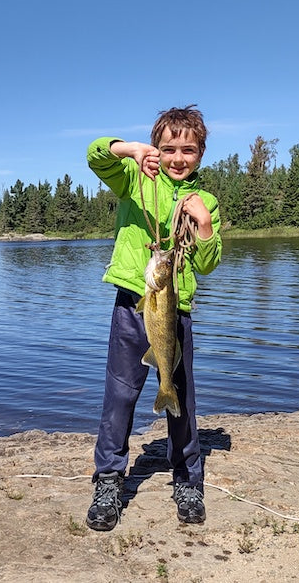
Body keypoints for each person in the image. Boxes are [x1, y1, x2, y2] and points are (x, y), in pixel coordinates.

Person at [85, 105, 222, 531]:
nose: (178, 158)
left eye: (189, 150)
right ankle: (109, 480)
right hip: (133, 307)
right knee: (120, 397)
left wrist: (202, 224)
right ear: (156, 150)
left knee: (181, 398)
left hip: (174, 313)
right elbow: (94, 155)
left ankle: (187, 481)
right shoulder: (134, 181)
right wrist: (128, 150)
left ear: (201, 153)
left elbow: (210, 263)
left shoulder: (206, 201)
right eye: (168, 149)